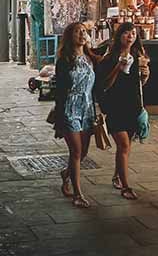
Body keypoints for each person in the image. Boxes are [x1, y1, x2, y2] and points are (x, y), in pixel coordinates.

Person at [96, 22, 150, 201]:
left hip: (132, 107)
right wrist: (118, 68)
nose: (130, 36)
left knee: (125, 148)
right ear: (119, 36)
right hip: (114, 107)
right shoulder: (109, 58)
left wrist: (144, 75)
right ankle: (126, 187)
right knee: (124, 145)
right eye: (127, 33)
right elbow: (104, 85)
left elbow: (139, 84)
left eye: (133, 33)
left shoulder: (138, 55)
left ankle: (117, 176)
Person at [54, 22, 98, 208]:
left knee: (84, 152)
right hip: (69, 109)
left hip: (87, 108)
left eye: (84, 32)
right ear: (70, 36)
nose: (82, 34)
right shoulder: (64, 60)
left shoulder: (90, 57)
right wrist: (59, 118)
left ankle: (66, 173)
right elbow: (60, 91)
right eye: (78, 31)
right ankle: (78, 194)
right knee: (76, 151)